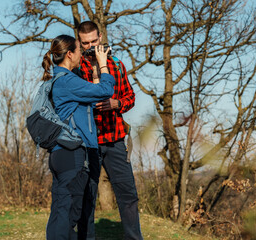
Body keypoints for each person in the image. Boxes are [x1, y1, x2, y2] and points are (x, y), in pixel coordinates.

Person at [42, 34, 115, 240]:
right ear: (70, 54)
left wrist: (93, 68)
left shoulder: (59, 80)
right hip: (72, 153)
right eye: (79, 51)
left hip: (61, 153)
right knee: (69, 214)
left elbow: (90, 101)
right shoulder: (67, 81)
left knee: (60, 213)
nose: (82, 54)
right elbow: (106, 90)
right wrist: (103, 65)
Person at [74, 21, 142, 240]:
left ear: (101, 37)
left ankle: (133, 238)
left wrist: (116, 104)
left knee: (128, 195)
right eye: (85, 43)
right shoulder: (76, 69)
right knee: (87, 197)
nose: (90, 46)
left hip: (115, 139)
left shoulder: (117, 64)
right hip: (88, 141)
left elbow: (130, 97)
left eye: (94, 41)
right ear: (79, 42)